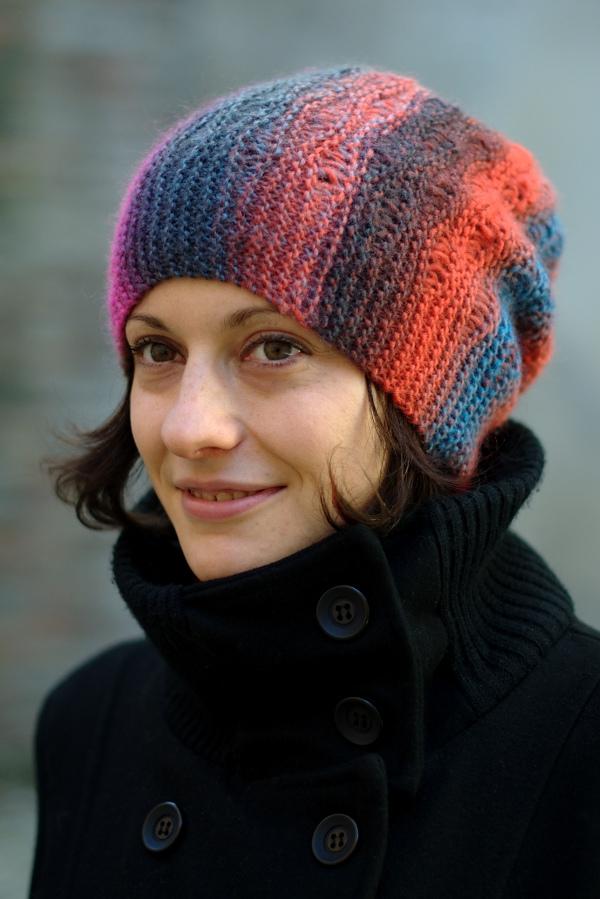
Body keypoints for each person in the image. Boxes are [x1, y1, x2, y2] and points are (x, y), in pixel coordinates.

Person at [28, 65, 600, 898]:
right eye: (157, 349)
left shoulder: (579, 745)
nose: (188, 427)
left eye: (274, 347)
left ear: (429, 398)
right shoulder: (90, 723)